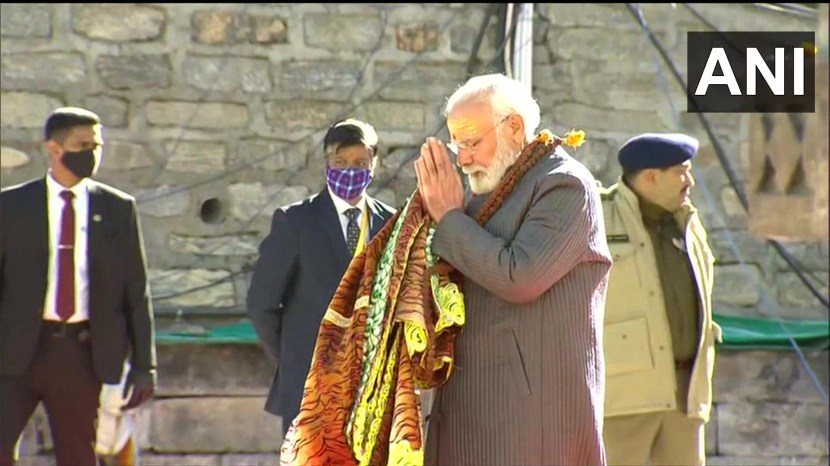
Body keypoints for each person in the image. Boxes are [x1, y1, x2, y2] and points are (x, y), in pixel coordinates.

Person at [413, 73, 613, 465]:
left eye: (472, 143)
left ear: (514, 127)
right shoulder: (487, 194)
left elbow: (520, 277)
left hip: (532, 417)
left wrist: (449, 219)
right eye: (458, 148)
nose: (464, 159)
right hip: (471, 407)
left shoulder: (565, 186)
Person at [0, 107, 157, 466]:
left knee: (78, 455)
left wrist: (144, 365)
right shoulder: (11, 207)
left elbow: (136, 291)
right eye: (82, 144)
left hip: (81, 356)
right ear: (53, 149)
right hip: (16, 353)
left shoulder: (117, 209)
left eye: (97, 144)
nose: (92, 153)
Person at [247, 118, 397, 438]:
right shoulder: (295, 222)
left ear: (374, 164)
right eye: (340, 162)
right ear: (326, 163)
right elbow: (262, 303)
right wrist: (296, 356)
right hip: (310, 384)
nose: (349, 171)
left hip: (372, 386)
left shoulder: (391, 223)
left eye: (360, 163)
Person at [598, 133, 722, 466]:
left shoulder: (687, 222)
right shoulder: (597, 216)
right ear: (652, 176)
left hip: (685, 392)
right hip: (625, 397)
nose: (690, 181)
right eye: (682, 171)